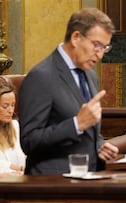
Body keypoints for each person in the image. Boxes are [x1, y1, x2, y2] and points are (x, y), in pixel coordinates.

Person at [19, 8, 119, 175]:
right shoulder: (42, 76)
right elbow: (29, 140)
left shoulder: (90, 76)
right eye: (96, 45)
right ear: (76, 38)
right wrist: (76, 124)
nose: (100, 54)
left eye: (105, 48)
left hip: (90, 180)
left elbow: (87, 129)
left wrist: (99, 145)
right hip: (53, 185)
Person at [0, 76, 26, 175]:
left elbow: (22, 156)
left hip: (20, 179)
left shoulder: (15, 125)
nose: (11, 110)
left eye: (13, 105)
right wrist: (16, 168)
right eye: (5, 106)